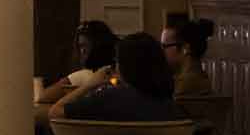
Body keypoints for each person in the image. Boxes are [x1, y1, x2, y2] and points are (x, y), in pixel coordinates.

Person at [50, 31, 187, 123]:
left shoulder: (109, 98)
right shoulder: (171, 107)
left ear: (125, 66)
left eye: (117, 61)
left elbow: (55, 113)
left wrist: (89, 84)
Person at [34, 20, 118, 107]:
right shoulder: (116, 72)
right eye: (80, 46)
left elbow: (43, 97)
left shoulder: (84, 75)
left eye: (84, 45)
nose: (82, 51)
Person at [161, 17, 216, 96]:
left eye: (164, 46)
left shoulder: (184, 86)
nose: (161, 51)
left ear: (185, 48)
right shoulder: (200, 78)